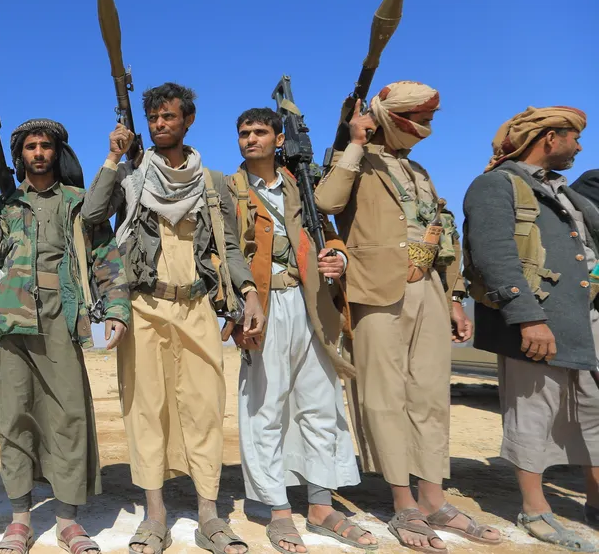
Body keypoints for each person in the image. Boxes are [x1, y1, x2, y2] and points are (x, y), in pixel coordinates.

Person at [314, 81, 499, 553]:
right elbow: (326, 202)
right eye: (421, 121)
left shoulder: (418, 170)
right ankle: (404, 503)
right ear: (391, 119)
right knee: (385, 397)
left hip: (428, 288)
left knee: (431, 395)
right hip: (376, 292)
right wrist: (356, 143)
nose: (427, 130)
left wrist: (453, 296)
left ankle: (434, 499)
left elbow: (440, 231)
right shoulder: (355, 161)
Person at [81, 83, 264, 554]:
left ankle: (209, 515)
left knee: (204, 409)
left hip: (197, 306)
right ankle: (155, 515)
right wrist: (113, 157)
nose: (160, 124)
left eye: (169, 117)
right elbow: (92, 215)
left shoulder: (211, 181)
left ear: (188, 121)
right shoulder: (132, 176)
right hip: (143, 307)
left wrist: (248, 292)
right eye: (154, 118)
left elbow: (229, 246)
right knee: (146, 409)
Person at [0, 118, 130, 554]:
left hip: (63, 314)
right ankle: (20, 519)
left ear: (56, 153)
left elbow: (105, 256)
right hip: (14, 316)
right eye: (30, 147)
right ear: (20, 155)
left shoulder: (80, 203)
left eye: (45, 146)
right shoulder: (5, 205)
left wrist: (116, 308)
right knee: (16, 414)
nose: (38, 153)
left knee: (68, 414)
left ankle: (67, 520)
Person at [224, 108, 375, 552]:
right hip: (263, 306)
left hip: (312, 304)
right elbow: (222, 249)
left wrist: (338, 258)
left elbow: (328, 233)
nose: (250, 139)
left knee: (320, 405)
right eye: (244, 133)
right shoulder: (229, 190)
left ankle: (321, 504)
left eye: (260, 132)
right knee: (264, 409)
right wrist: (239, 306)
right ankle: (277, 509)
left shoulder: (301, 184)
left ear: (278, 139)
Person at [464, 106, 598, 551]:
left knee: (593, 411)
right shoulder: (496, 185)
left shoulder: (562, 191)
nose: (579, 147)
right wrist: (528, 317)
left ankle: (596, 502)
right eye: (573, 138)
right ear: (549, 138)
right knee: (533, 412)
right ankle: (535, 510)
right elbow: (495, 254)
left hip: (582, 318)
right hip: (539, 319)